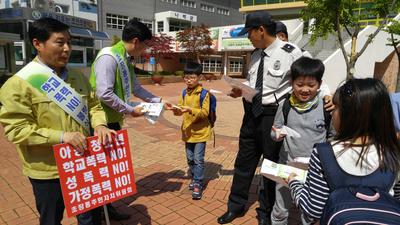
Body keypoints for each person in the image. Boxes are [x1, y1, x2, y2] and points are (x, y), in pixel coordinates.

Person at [0, 18, 116, 225]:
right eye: (60, 42)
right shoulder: (18, 84)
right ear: (38, 44)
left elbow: (94, 106)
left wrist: (100, 124)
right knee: (51, 219)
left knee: (90, 217)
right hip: (47, 171)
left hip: (82, 160)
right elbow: (17, 130)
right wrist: (62, 137)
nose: (67, 49)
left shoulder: (77, 77)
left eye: (69, 43)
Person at [217, 11, 304, 225]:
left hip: (273, 117)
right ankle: (235, 207)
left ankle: (266, 213)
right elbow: (253, 83)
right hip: (251, 115)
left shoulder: (291, 53)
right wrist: (240, 91)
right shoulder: (256, 55)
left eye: (250, 32)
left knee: (271, 167)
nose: (248, 37)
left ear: (261, 30)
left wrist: (327, 94)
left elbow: (309, 77)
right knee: (244, 163)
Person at [89, 19, 171, 220]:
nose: (145, 50)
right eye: (145, 45)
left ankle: (107, 208)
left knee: (108, 167)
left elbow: (136, 88)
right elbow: (104, 94)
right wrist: (129, 110)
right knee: (99, 168)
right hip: (99, 123)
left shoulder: (125, 58)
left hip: (113, 120)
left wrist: (160, 101)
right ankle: (96, 212)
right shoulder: (108, 57)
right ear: (136, 41)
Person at [287, 78, 400, 223]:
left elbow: (313, 209)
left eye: (336, 107)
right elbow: (396, 200)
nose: (333, 112)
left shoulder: (324, 153)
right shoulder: (393, 153)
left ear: (350, 115)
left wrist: (294, 182)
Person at [270, 57, 334, 225]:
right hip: (286, 165)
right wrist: (276, 135)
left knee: (310, 213)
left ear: (320, 84)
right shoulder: (285, 105)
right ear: (292, 83)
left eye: (311, 85)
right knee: (280, 208)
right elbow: (274, 130)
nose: (305, 89)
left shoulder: (326, 107)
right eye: (299, 84)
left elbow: (333, 136)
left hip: (315, 170)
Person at [171, 61, 212, 200]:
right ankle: (195, 178)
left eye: (192, 77)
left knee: (198, 159)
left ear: (199, 77)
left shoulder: (204, 94)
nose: (188, 80)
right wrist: (175, 110)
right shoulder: (184, 92)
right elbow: (180, 110)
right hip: (188, 132)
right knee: (190, 158)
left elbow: (205, 112)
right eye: (186, 77)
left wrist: (190, 109)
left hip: (201, 132)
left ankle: (198, 183)